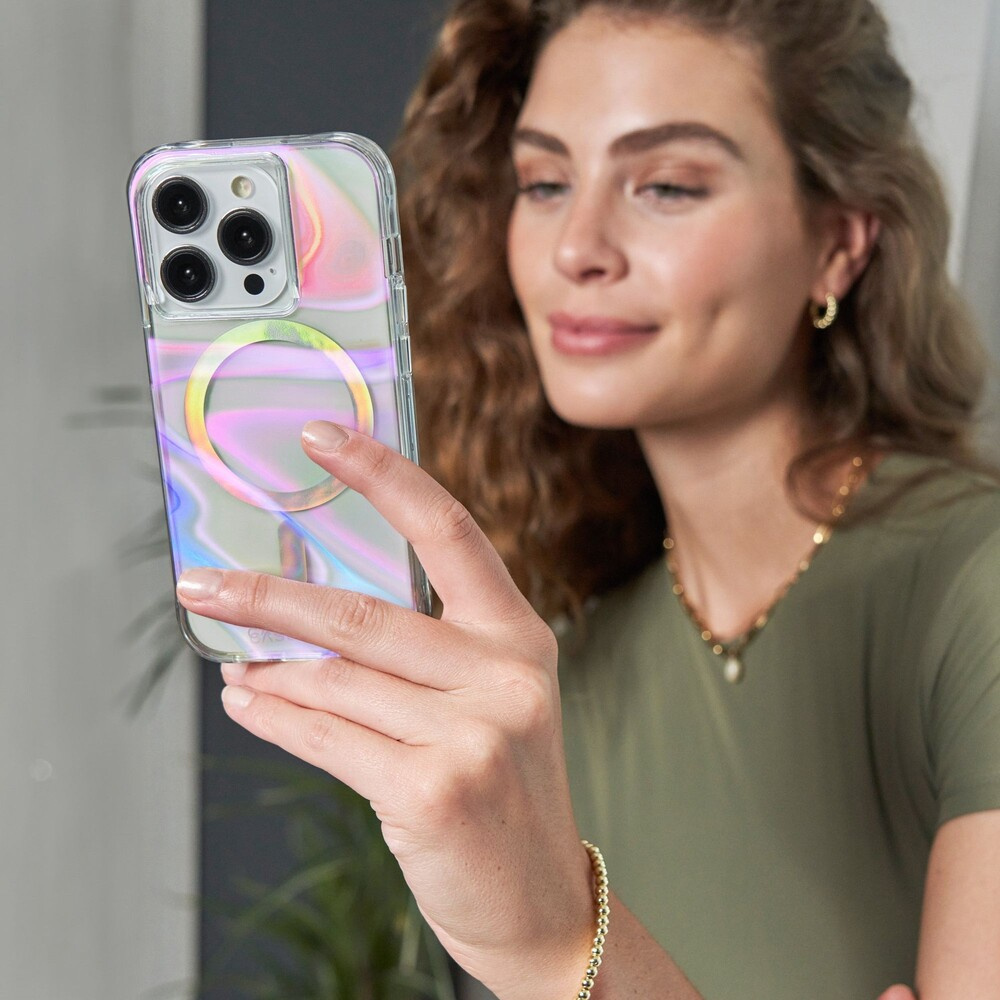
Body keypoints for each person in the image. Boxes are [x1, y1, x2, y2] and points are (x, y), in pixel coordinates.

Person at [175, 1, 1000, 997]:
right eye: (545, 183)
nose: (578, 246)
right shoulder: (553, 670)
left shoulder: (974, 587)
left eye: (666, 185)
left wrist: (553, 943)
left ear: (839, 243)